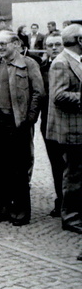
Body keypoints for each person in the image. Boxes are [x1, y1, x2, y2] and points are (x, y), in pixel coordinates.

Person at [0, 31, 43, 226]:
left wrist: (29, 119)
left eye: (3, 44)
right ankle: (3, 207)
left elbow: (39, 93)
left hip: (16, 123)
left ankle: (21, 211)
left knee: (19, 169)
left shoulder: (28, 64)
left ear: (16, 44)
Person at [45, 23, 82, 236]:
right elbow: (58, 96)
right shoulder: (61, 63)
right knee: (73, 175)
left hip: (77, 128)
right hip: (71, 130)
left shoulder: (75, 60)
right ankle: (70, 217)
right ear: (79, 41)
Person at [39, 32, 66, 217]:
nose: (54, 48)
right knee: (56, 164)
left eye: (58, 44)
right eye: (50, 45)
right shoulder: (42, 69)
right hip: (48, 123)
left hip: (69, 123)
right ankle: (61, 201)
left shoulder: (71, 66)